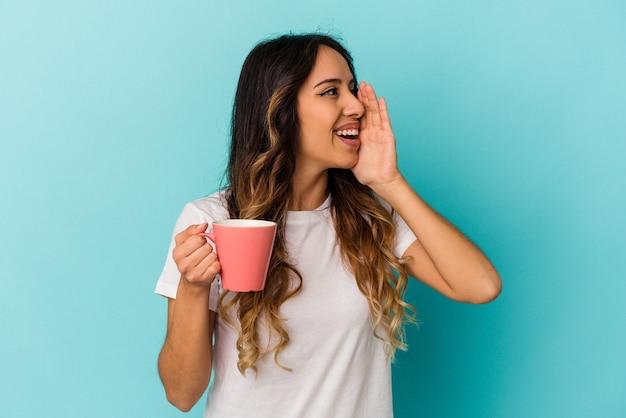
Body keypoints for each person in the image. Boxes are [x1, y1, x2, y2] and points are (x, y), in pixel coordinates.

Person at [155, 33, 501, 417]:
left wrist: (390, 183)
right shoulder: (211, 220)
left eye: (352, 88)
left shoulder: (370, 216)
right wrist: (193, 286)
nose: (355, 105)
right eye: (330, 92)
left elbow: (480, 286)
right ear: (281, 110)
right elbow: (181, 394)